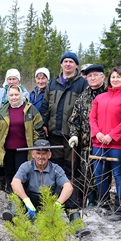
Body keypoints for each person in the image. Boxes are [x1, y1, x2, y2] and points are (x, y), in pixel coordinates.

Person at [88, 66, 121, 221]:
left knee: (118, 174)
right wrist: (98, 133)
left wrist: (112, 136)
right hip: (98, 142)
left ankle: (120, 209)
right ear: (109, 79)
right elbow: (92, 118)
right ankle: (104, 203)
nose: (115, 79)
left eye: (119, 77)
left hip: (117, 143)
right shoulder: (100, 98)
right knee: (99, 174)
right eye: (113, 77)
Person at [40, 51, 88, 182]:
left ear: (76, 65)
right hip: (54, 132)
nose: (68, 64)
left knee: (71, 166)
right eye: (65, 61)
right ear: (61, 64)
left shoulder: (82, 84)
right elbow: (45, 105)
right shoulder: (53, 83)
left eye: (71, 62)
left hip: (71, 134)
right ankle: (56, 194)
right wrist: (44, 124)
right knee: (55, 166)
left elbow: (85, 109)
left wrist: (78, 130)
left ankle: (72, 197)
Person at [68, 64, 108, 210]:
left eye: (95, 75)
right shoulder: (82, 97)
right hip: (87, 144)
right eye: (89, 76)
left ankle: (105, 201)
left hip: (106, 143)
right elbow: (74, 120)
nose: (92, 78)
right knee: (87, 173)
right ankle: (91, 200)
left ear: (103, 77)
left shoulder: (110, 94)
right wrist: (74, 135)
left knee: (105, 173)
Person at [0, 85, 44, 193]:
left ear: (21, 95)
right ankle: (11, 196)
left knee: (22, 174)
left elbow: (39, 129)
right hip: (7, 149)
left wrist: (36, 146)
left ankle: (22, 196)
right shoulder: (2, 111)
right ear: (8, 96)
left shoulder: (30, 110)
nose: (14, 97)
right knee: (9, 173)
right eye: (11, 95)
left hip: (24, 149)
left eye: (16, 94)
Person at [6, 139, 74, 220]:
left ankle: (76, 222)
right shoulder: (26, 166)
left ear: (49, 155)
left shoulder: (56, 168)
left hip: (49, 201)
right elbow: (15, 182)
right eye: (38, 153)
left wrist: (57, 205)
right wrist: (27, 201)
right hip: (30, 200)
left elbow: (68, 187)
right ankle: (13, 216)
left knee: (69, 194)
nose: (41, 157)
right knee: (15, 192)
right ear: (33, 154)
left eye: (44, 153)